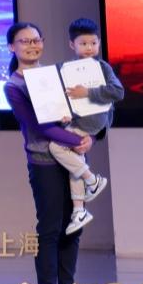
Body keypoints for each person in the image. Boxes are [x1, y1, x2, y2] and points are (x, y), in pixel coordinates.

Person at [3, 22, 87, 284]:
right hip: (44, 162)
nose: (32, 45)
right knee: (50, 227)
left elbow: (83, 112)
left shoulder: (57, 76)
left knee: (74, 224)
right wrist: (76, 140)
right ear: (11, 47)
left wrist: (89, 137)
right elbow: (39, 126)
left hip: (73, 160)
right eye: (24, 41)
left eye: (36, 40)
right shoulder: (14, 85)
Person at [51, 17, 123, 233]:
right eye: (83, 43)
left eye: (93, 43)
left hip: (94, 120)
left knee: (56, 146)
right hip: (77, 120)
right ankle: (79, 210)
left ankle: (93, 180)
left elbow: (118, 92)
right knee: (75, 163)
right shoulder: (66, 69)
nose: (89, 48)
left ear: (99, 43)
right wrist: (64, 115)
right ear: (72, 45)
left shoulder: (102, 67)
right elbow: (63, 98)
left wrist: (88, 92)